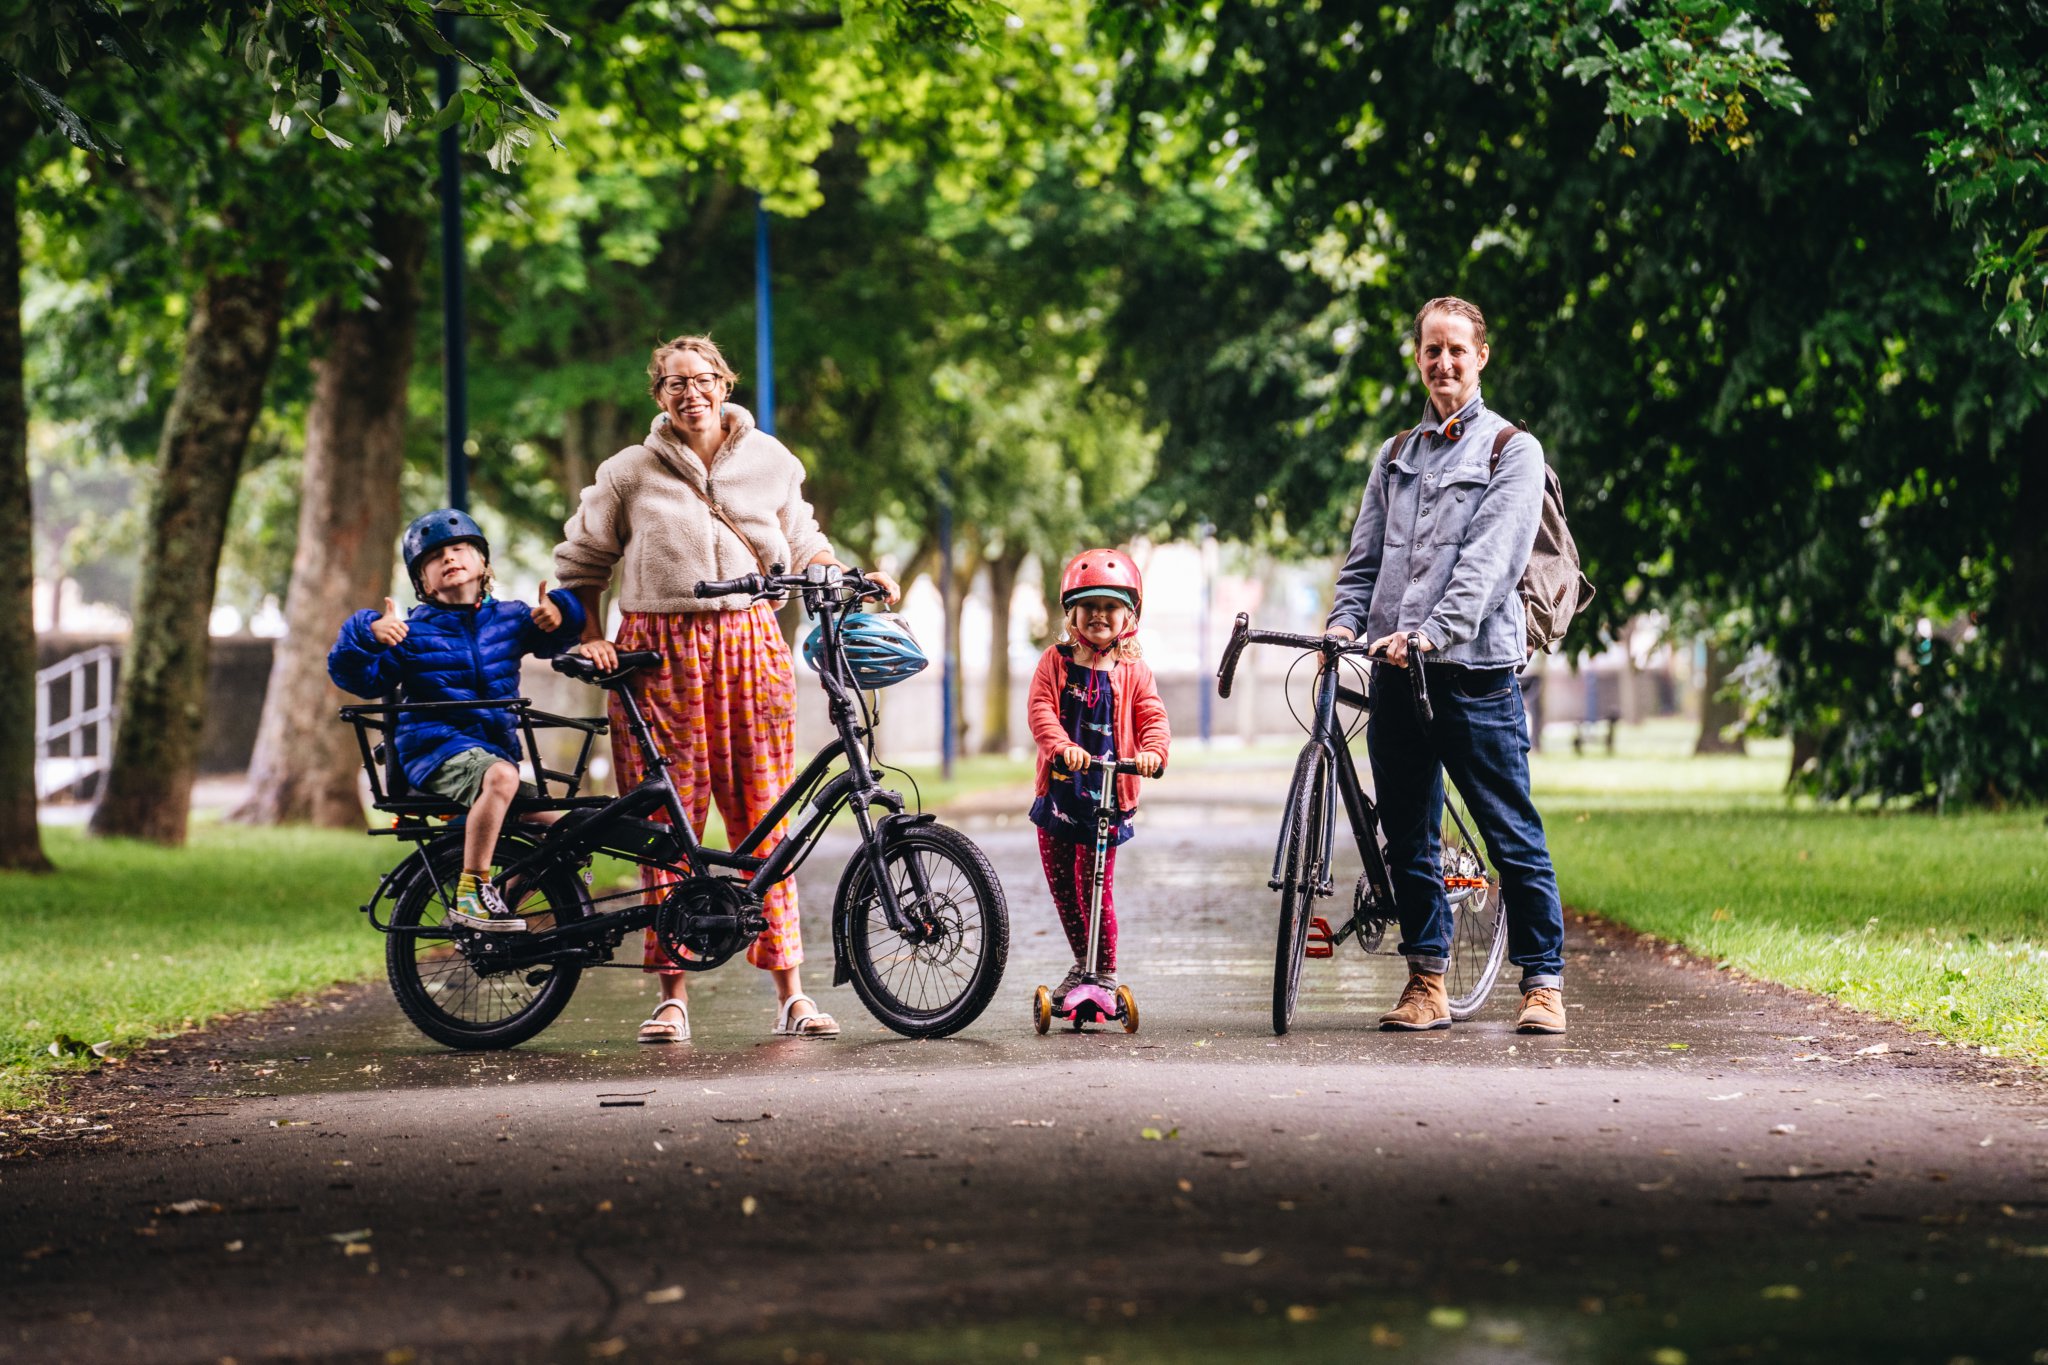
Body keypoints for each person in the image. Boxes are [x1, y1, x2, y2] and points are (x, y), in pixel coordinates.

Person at [553, 334, 899, 1044]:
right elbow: (581, 560)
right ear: (658, 395)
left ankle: (791, 993)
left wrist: (849, 575)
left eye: (703, 379)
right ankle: (672, 995)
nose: (691, 393)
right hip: (657, 653)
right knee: (666, 826)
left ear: (725, 384)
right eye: (675, 383)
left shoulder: (772, 461)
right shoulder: (628, 473)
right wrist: (590, 630)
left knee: (767, 817)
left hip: (750, 644)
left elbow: (806, 541)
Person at [1325, 297, 1570, 1035]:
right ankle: (1426, 981)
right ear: (1418, 357)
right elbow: (1364, 558)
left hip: (1473, 675)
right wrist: (1343, 619)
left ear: (1482, 356)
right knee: (1407, 837)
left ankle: (1543, 982)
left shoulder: (1512, 451)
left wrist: (1431, 633)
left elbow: (1490, 563)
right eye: (1432, 350)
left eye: (1457, 350)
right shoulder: (1395, 453)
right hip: (1396, 676)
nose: (1444, 363)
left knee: (1510, 832)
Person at [329, 509, 586, 932]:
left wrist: (560, 612)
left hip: (491, 755)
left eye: (460, 548)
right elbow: (354, 676)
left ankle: (497, 906)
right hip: (433, 750)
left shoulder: (511, 618)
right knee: (502, 777)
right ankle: (473, 887)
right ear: (422, 582)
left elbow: (558, 636)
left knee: (567, 834)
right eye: (434, 558)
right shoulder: (411, 635)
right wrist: (367, 635)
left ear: (483, 563)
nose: (449, 558)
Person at [1025, 548, 1170, 1007]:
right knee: (1063, 887)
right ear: (1072, 613)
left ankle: (1103, 974)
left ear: (1129, 615)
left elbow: (1152, 717)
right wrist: (1060, 746)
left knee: (1094, 884)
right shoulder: (1055, 661)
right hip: (1060, 795)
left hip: (1108, 797)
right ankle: (1082, 966)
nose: (1099, 616)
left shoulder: (1134, 671)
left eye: (1110, 607)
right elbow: (1040, 708)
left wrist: (1153, 752)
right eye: (1089, 606)